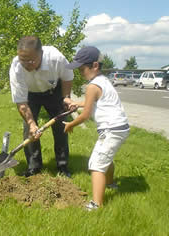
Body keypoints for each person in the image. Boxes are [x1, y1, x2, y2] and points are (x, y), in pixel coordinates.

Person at [63, 46, 130, 211]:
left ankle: (96, 204)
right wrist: (76, 104)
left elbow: (85, 115)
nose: (80, 73)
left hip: (111, 129)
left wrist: (71, 124)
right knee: (106, 158)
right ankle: (110, 183)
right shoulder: (103, 81)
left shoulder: (92, 86)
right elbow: (92, 103)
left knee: (96, 164)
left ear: (94, 65)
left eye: (82, 69)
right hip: (120, 127)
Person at [9, 36, 74, 178]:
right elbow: (21, 102)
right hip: (30, 94)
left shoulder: (56, 58)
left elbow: (67, 77)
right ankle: (34, 167)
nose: (26, 64)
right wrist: (32, 123)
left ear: (41, 53)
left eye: (31, 60)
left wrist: (66, 97)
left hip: (53, 91)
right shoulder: (16, 67)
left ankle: (62, 166)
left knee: (61, 127)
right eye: (23, 60)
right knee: (29, 129)